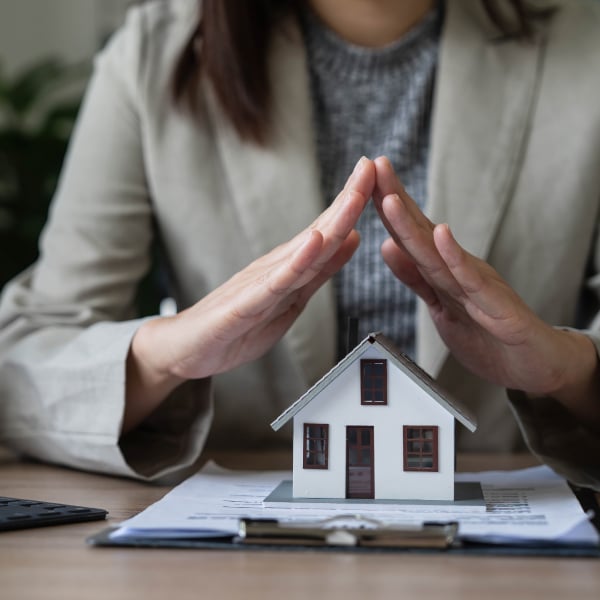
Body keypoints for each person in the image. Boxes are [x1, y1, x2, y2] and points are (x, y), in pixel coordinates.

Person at [0, 0, 599, 488]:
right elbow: (24, 362)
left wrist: (569, 369)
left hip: (522, 525)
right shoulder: (154, 54)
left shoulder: (587, 46)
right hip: (232, 541)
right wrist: (164, 355)